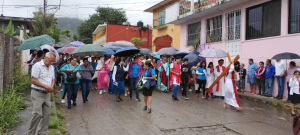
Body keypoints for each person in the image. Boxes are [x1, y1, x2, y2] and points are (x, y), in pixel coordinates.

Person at [28, 52, 56, 135]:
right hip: (37, 93)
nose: (51, 63)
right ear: (45, 58)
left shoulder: (51, 67)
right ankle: (30, 133)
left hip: (47, 94)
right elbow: (34, 80)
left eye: (53, 62)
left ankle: (42, 133)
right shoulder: (38, 66)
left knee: (47, 114)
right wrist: (46, 87)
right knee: (37, 114)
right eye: (51, 61)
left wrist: (51, 86)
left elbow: (53, 79)